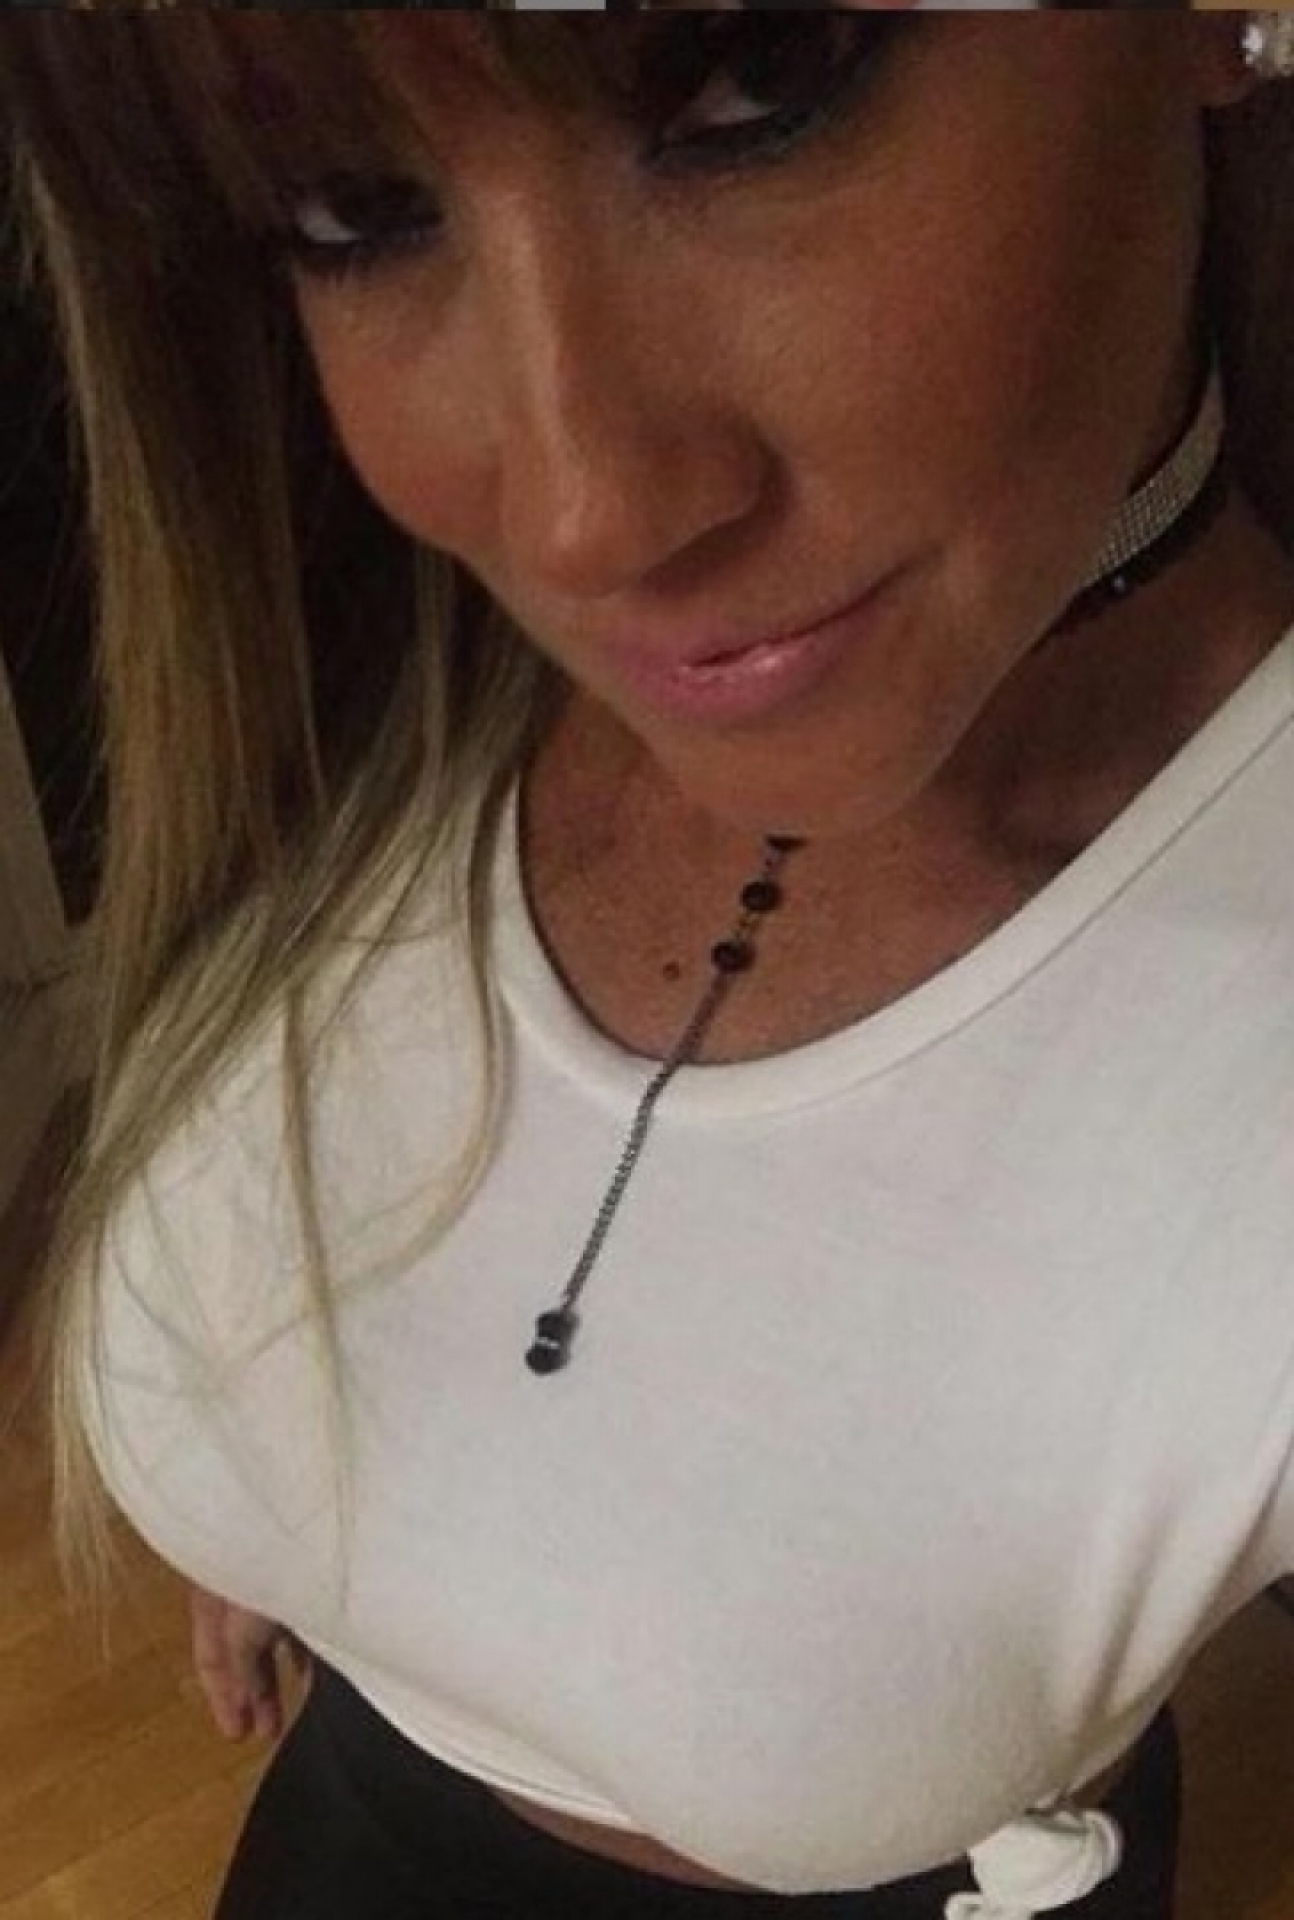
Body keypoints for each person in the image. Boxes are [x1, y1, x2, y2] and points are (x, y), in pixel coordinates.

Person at [3, 8, 1294, 1916]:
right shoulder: (357, 664)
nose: (580, 510)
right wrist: (281, 1512)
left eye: (755, 88)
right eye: (354, 207)